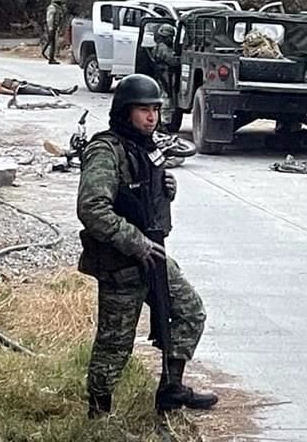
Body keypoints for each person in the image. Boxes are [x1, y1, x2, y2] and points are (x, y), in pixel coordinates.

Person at [76, 75, 217, 417]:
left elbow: (142, 192)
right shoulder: (106, 150)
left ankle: (171, 389)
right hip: (122, 261)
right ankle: (98, 413)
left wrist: (164, 187)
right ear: (125, 112)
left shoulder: (147, 147)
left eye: (155, 109)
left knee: (189, 311)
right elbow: (92, 208)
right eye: (143, 110)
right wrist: (135, 242)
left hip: (153, 254)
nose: (151, 117)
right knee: (115, 343)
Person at [149, 24, 180, 128]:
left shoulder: (159, 46)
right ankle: (163, 124)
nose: (171, 39)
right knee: (166, 101)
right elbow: (173, 61)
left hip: (164, 77)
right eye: (170, 37)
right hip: (165, 77)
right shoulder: (162, 48)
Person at [41, 0, 66, 65]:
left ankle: (47, 55)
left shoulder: (57, 8)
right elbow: (50, 18)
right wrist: (51, 28)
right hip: (51, 27)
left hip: (53, 27)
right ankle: (50, 58)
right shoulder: (52, 8)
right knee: (52, 43)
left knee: (52, 42)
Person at [0, 78, 78, 96]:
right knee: (39, 90)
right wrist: (13, 90)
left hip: (22, 84)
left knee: (43, 87)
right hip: (20, 88)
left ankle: (63, 91)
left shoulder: (0, 84)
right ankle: (55, 93)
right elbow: (10, 92)